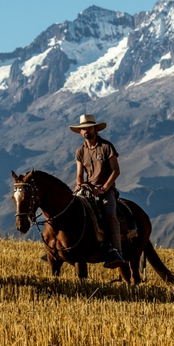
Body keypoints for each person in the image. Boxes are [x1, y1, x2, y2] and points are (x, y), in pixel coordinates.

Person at [71, 114, 127, 269]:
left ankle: (116, 251)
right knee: (70, 209)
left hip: (106, 189)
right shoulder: (80, 151)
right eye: (83, 129)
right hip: (87, 188)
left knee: (110, 215)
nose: (86, 131)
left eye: (89, 127)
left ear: (95, 129)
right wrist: (79, 184)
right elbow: (78, 175)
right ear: (80, 132)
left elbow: (115, 171)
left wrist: (103, 188)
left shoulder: (106, 147)